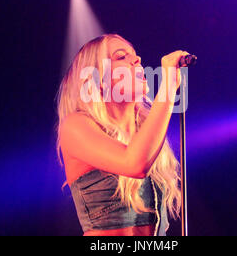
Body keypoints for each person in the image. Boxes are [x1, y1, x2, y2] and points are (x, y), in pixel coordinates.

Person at [56, 34, 189, 236]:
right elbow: (134, 163)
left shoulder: (146, 130)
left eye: (135, 55)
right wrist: (168, 88)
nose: (137, 60)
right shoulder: (74, 126)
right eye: (121, 57)